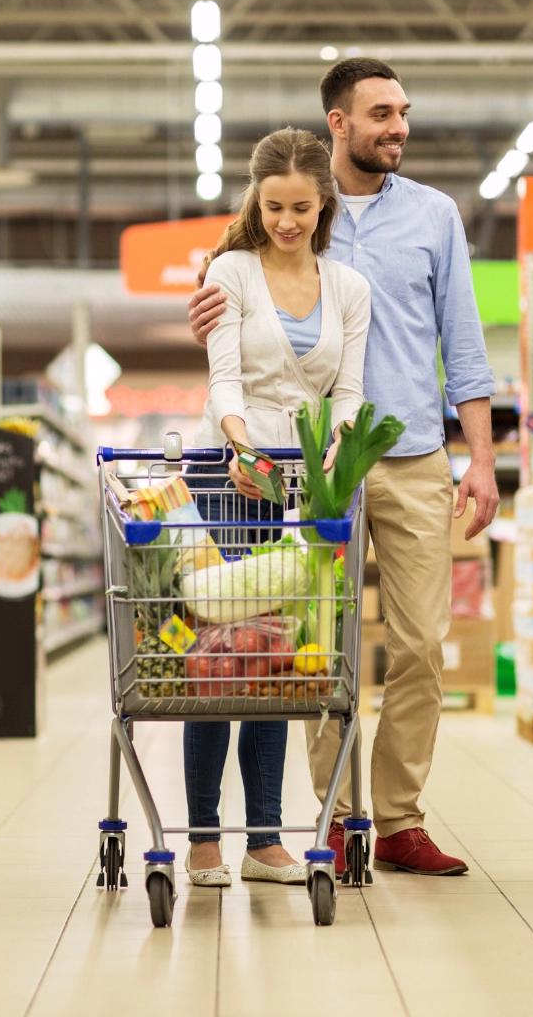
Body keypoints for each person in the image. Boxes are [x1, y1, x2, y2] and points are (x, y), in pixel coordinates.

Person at [188, 59, 498, 877]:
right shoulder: (285, 211)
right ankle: (337, 815)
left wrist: (485, 458)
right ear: (338, 123)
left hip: (410, 457)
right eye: (381, 114)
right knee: (321, 647)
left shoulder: (434, 215)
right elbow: (231, 328)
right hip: (306, 469)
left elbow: (463, 344)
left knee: (422, 643)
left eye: (404, 112)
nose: (398, 126)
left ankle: (397, 818)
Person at [184, 127, 371, 887]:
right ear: (254, 202)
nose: (286, 222)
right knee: (221, 656)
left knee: (271, 655)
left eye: (300, 207)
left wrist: (339, 447)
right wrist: (237, 445)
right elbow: (223, 376)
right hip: (227, 472)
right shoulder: (231, 270)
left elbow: (349, 391)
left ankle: (263, 837)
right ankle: (202, 838)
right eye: (272, 207)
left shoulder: (350, 287)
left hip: (298, 479)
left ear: (323, 203)